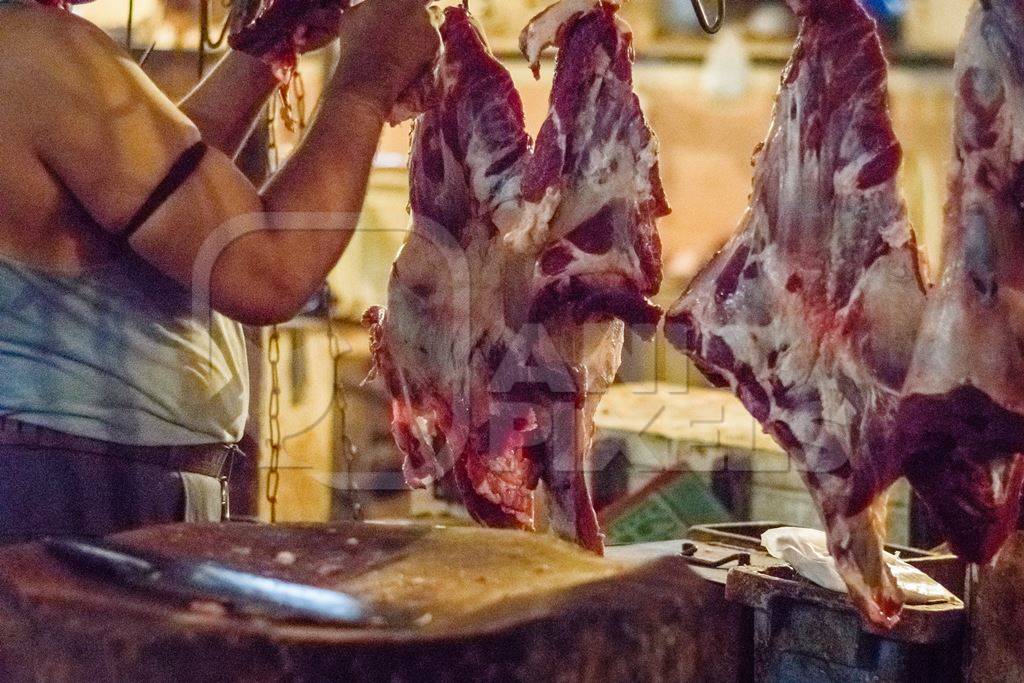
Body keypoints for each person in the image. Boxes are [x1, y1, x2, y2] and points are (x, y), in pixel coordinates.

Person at [0, 0, 439, 543]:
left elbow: (135, 189)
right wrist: (367, 80)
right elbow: (268, 270)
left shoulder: (18, 46)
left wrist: (265, 55)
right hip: (72, 487)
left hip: (66, 474)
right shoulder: (38, 49)